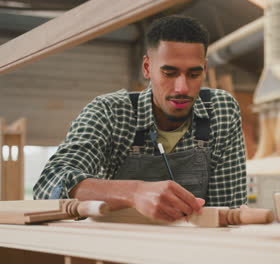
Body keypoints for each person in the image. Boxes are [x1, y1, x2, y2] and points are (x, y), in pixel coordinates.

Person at [34, 15, 247, 223]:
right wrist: (134, 192)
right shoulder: (109, 112)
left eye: (193, 74)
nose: (182, 88)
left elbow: (227, 212)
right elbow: (48, 188)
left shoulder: (220, 110)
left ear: (205, 69)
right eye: (169, 73)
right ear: (147, 68)